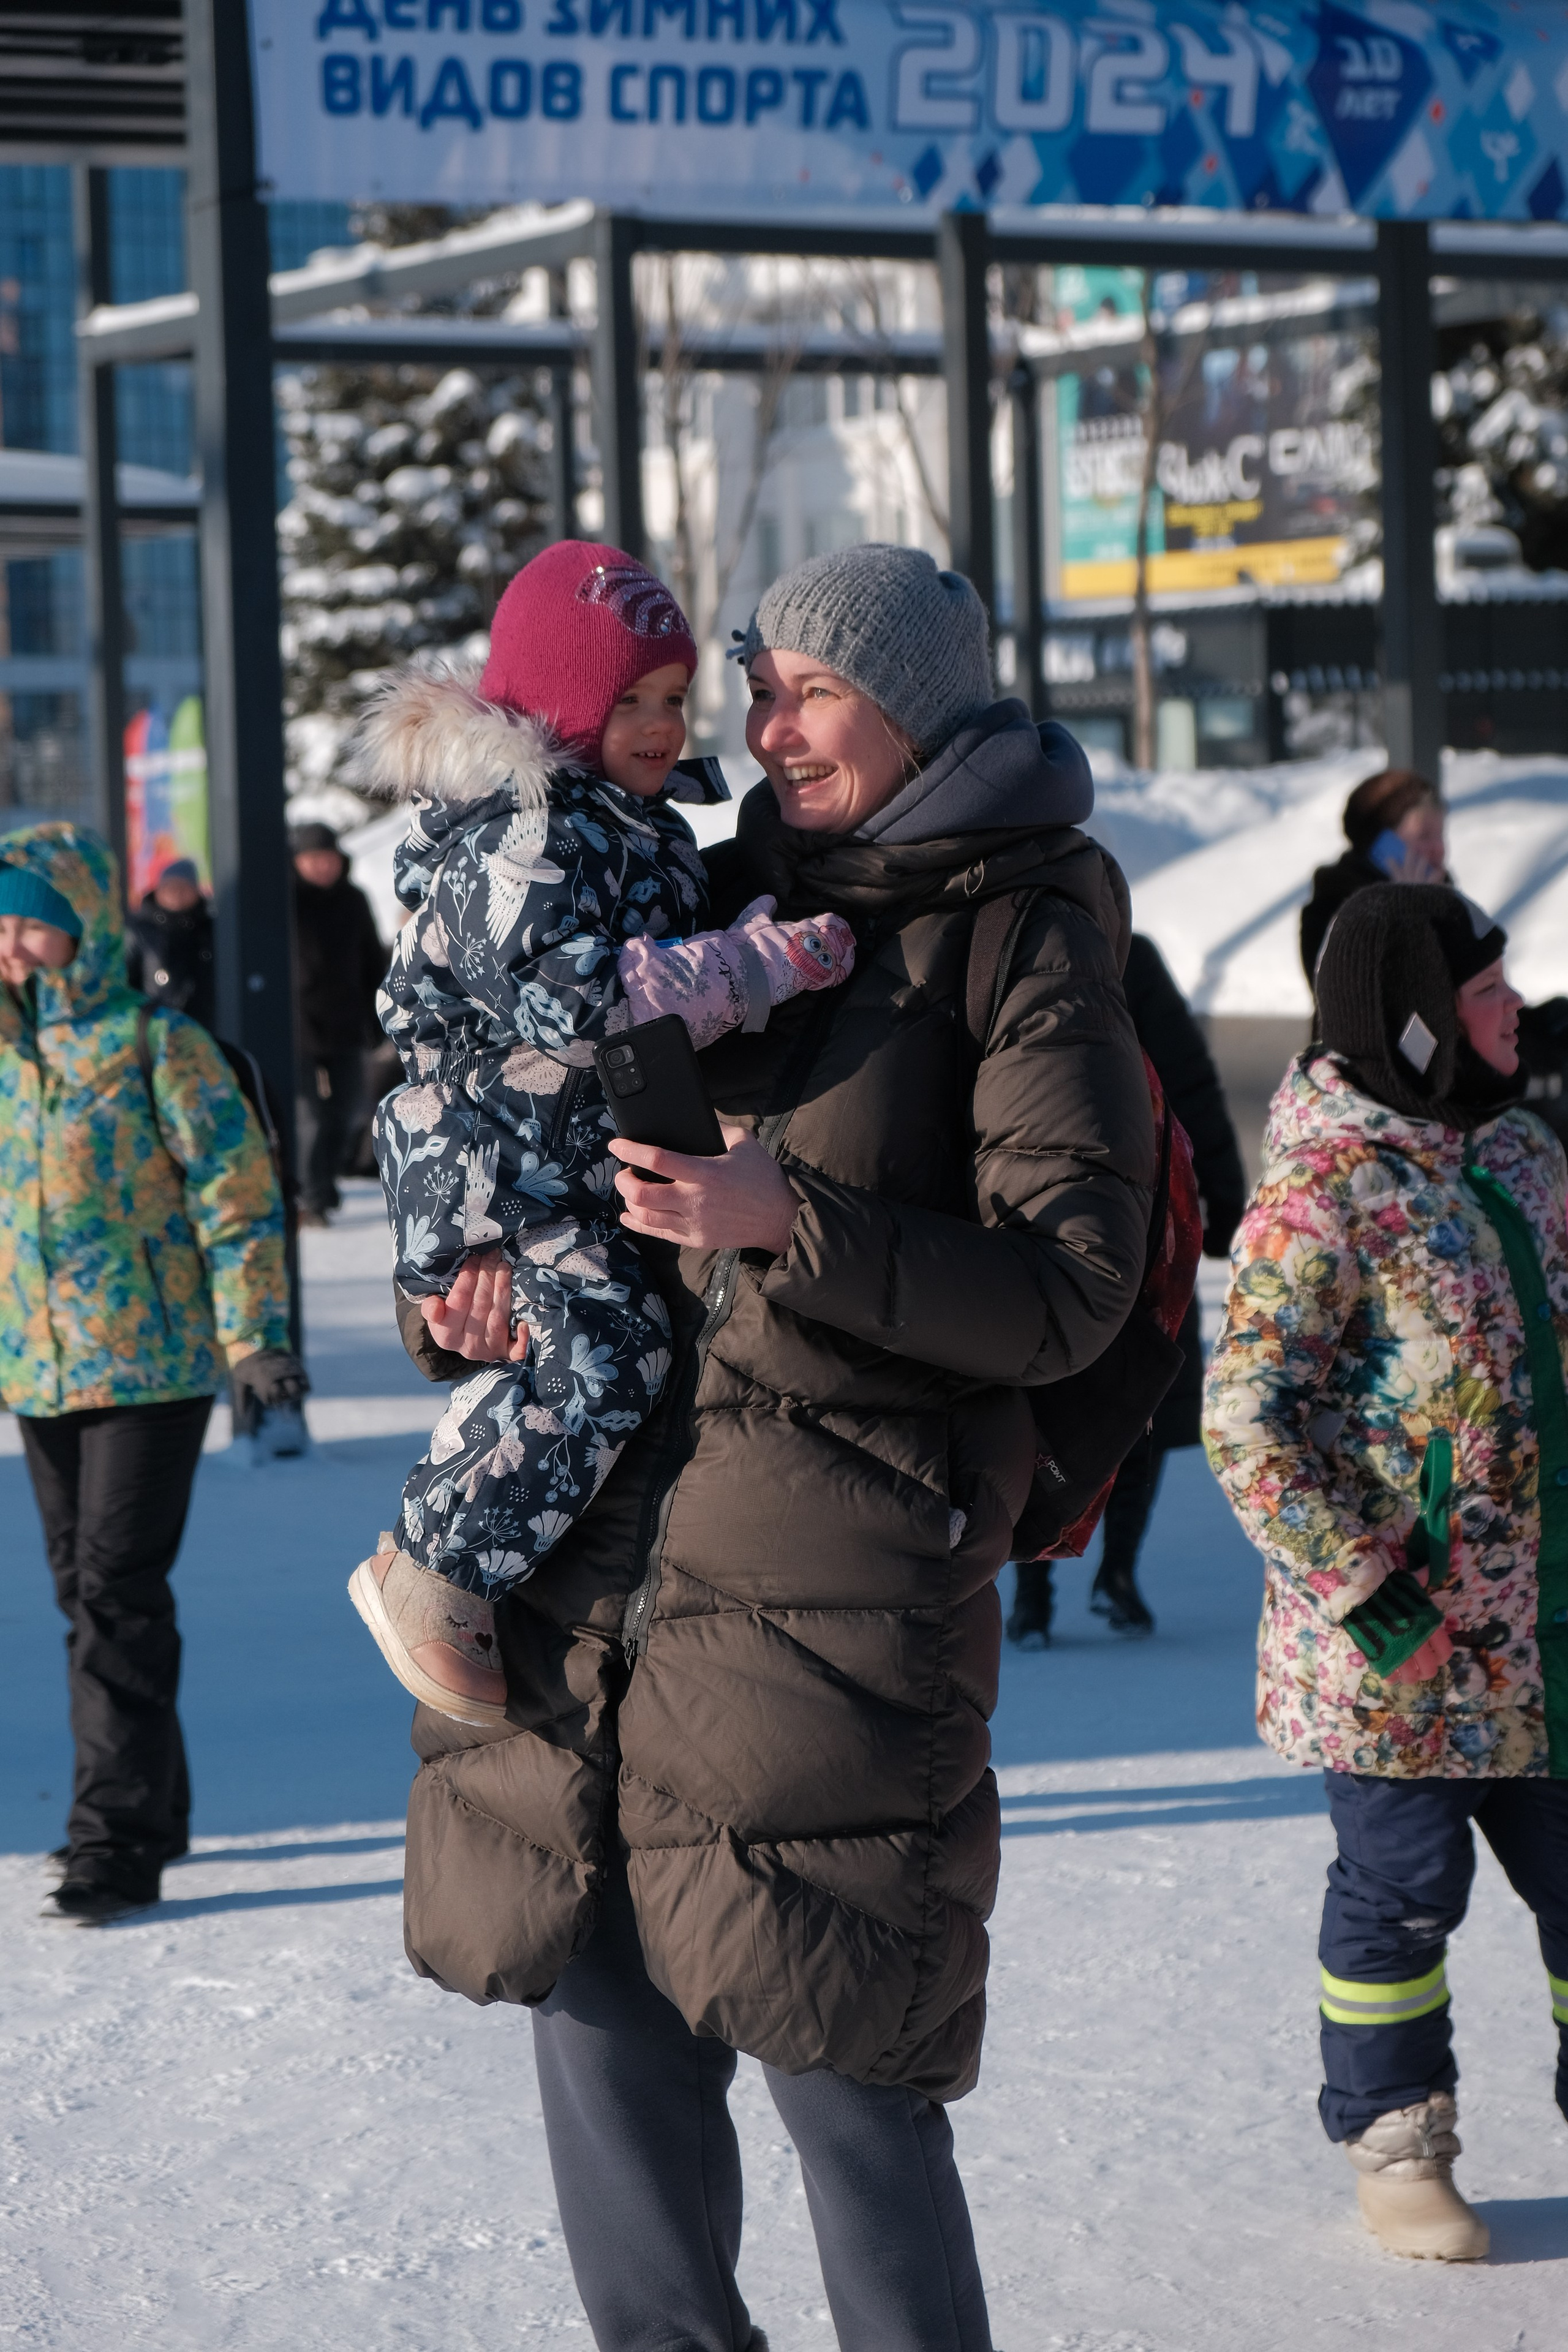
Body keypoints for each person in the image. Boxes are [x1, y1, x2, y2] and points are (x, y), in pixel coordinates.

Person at [393, 543, 1155, 2351]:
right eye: (753, 688)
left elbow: (1073, 1286)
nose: (759, 725)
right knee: (602, 2050)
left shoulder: (1020, 934)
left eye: (807, 688)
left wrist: (781, 1216)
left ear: (915, 702)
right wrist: (462, 1288)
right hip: (589, 1586)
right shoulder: (694, 882)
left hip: (821, 1605)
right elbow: (486, 1079)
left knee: (842, 2069)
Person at [352, 541, 853, 1723]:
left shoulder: (630, 828)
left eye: (674, 697)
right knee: (609, 1354)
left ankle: (445, 1547)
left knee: (584, 1354)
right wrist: (750, 966)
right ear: (560, 703)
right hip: (505, 1172)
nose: (662, 724)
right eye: (628, 699)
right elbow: (573, 1002)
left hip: (557, 1166)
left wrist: (741, 931)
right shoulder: (525, 832)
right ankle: (437, 1570)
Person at [1204, 882, 1568, 2264]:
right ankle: (1395, 2145)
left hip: (1541, 1624)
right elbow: (1244, 1424)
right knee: (1400, 1897)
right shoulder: (1324, 1195)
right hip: (1402, 1653)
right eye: (1483, 994)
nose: (1511, 1011)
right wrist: (1373, 1593)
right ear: (1417, 1024)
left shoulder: (1522, 1154)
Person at [0, 825, 304, 1925]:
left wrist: (255, 1334)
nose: (12, 943)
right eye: (1, 922)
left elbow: (235, 1195)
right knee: (83, 1594)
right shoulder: (4, 1059)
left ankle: (114, 1843)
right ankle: (154, 1804)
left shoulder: (153, 1045)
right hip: (40, 1372)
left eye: (32, 919)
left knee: (118, 1595)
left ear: (81, 927)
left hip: (152, 1364)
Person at [1007, 930, 1246, 1647]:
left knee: (1053, 1387)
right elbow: (1189, 1077)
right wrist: (1223, 1201)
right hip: (1134, 1216)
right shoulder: (1118, 952)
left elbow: (1189, 1078)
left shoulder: (1024, 945)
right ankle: (1094, 1576)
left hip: (1048, 1212)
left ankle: (1045, 1589)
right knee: (1131, 1388)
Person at [290, 820, 387, 1224]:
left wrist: (378, 1017)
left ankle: (324, 1185)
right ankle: (310, 1197)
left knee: (347, 1111)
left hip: (346, 1023)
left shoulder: (354, 899)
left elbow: (372, 962)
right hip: (296, 1027)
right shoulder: (282, 901)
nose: (322, 867)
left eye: (328, 858)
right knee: (309, 1115)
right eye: (313, 859)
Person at [1298, 766, 1446, 993]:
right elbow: (1359, 1005)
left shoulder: (1446, 897)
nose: (1439, 848)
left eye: (1440, 834)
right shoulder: (1333, 908)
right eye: (1424, 835)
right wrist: (1410, 910)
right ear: (1382, 845)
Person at [124, 856, 215, 1030]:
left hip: (204, 1028)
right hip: (155, 1028)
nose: (177, 893)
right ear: (158, 890)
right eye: (170, 886)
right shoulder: (139, 931)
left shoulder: (210, 930)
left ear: (197, 892)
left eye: (184, 887)